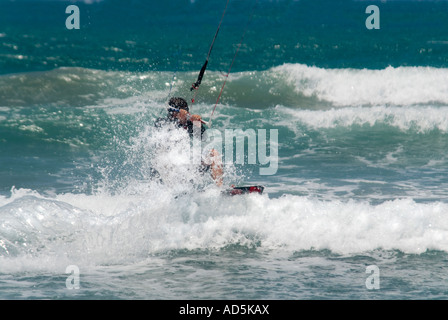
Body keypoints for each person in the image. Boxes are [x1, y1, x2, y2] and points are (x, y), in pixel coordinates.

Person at [155, 97, 223, 187]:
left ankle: (219, 188)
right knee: (164, 162)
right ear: (173, 112)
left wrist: (196, 124)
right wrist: (180, 121)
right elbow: (169, 136)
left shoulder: (189, 124)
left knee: (213, 154)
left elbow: (203, 138)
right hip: (166, 173)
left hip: (185, 170)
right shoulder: (161, 122)